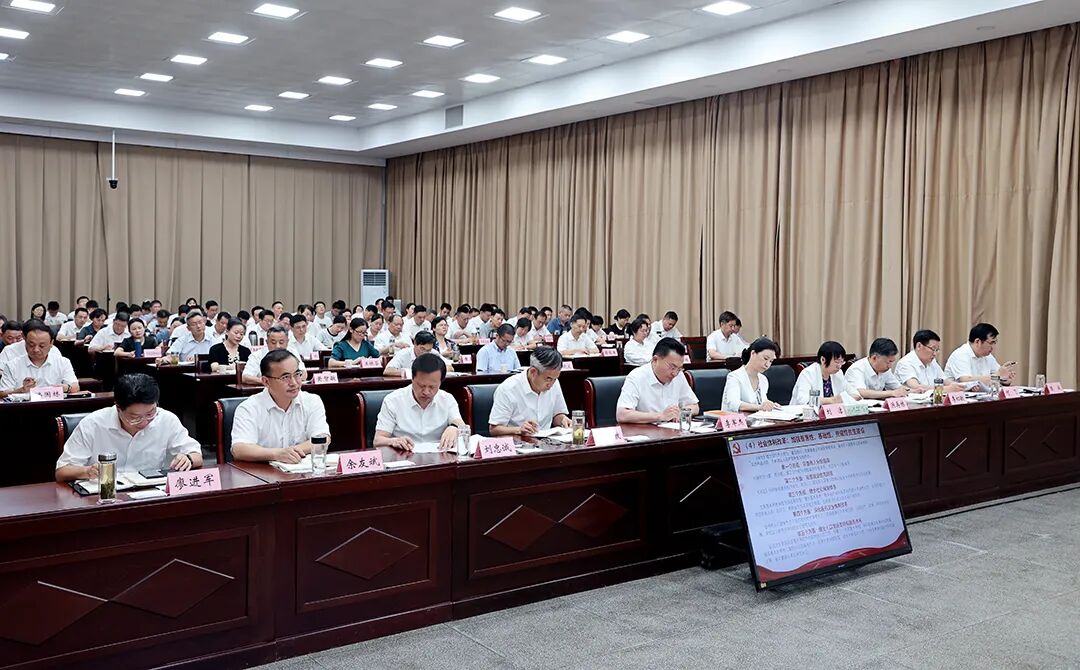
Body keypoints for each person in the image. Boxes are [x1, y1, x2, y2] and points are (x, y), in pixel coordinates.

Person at [55, 373, 201, 481]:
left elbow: (196, 455)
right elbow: (62, 472)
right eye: (135, 417)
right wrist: (87, 471)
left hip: (149, 496)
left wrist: (187, 458)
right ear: (118, 407)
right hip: (104, 497)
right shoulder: (93, 424)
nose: (144, 422)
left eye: (150, 413)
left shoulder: (166, 419)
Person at [230, 349, 331, 463]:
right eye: (285, 377)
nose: (294, 383)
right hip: (264, 471)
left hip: (301, 469)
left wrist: (290, 453)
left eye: (297, 374)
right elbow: (239, 449)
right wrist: (277, 454)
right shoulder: (249, 408)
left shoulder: (312, 401)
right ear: (266, 381)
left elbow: (323, 438)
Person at [375, 353, 465, 451]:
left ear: (440, 382)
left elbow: (461, 425)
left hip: (439, 456)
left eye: (432, 387)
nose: (426, 392)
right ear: (412, 379)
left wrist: (454, 427)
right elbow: (378, 441)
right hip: (405, 455)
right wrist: (394, 441)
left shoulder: (447, 399)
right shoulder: (393, 401)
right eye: (421, 386)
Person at [489, 347, 572, 436]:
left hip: (547, 441)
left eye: (555, 379)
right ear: (533, 372)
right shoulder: (508, 388)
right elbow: (494, 429)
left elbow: (557, 415)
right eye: (548, 379)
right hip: (519, 440)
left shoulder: (554, 383)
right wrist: (519, 429)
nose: (551, 384)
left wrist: (563, 419)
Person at [616, 337, 699, 423]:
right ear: (655, 360)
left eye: (679, 368)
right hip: (646, 430)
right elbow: (622, 414)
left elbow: (694, 406)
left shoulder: (679, 375)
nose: (674, 373)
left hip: (672, 430)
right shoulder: (636, 377)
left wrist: (682, 413)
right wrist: (660, 416)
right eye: (672, 367)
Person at [0, 320, 79, 397]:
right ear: (25, 342)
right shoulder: (12, 365)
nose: (36, 350)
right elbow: (2, 393)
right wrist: (21, 390)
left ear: (51, 343)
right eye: (31, 345)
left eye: (42, 346)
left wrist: (65, 388)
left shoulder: (63, 362)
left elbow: (75, 387)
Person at [945, 323, 1017, 391]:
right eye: (991, 343)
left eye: (995, 343)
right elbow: (965, 380)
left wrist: (1005, 379)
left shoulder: (988, 356)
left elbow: (997, 376)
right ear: (977, 342)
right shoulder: (960, 354)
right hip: (959, 397)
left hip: (981, 395)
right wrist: (998, 375)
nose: (993, 347)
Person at [894, 330, 965, 392]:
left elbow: (944, 380)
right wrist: (946, 389)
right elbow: (916, 387)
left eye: (937, 350)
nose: (935, 354)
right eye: (933, 349)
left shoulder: (932, 361)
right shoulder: (905, 363)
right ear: (919, 346)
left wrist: (956, 386)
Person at [721, 338, 780, 412]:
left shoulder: (763, 379)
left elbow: (762, 403)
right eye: (765, 358)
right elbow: (733, 404)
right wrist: (760, 407)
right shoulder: (734, 376)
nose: (767, 364)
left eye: (771, 361)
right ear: (753, 353)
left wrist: (770, 405)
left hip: (756, 418)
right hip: (735, 418)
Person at [792, 341, 860, 405]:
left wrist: (843, 399)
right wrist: (832, 400)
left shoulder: (838, 373)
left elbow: (856, 394)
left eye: (842, 362)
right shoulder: (808, 374)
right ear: (823, 360)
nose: (839, 366)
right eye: (837, 362)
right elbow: (803, 400)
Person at [243, 326, 307, 385]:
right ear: (267, 342)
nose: (277, 346)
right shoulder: (257, 356)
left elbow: (303, 374)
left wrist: (289, 382)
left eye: (281, 342)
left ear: (287, 342)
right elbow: (245, 377)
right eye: (273, 342)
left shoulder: (293, 353)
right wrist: (271, 383)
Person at [385, 331, 453, 377]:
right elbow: (388, 371)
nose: (425, 353)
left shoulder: (433, 353)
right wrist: (415, 373)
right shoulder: (403, 354)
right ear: (415, 343)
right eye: (422, 349)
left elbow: (450, 368)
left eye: (428, 350)